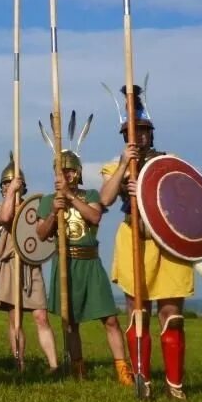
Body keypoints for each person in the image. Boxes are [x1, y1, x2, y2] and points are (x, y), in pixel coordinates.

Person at [99, 84, 193, 401]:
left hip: (168, 243)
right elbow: (106, 199)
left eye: (141, 131)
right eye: (130, 131)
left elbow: (187, 201)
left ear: (150, 133)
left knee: (172, 315)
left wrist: (153, 192)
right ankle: (143, 381)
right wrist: (126, 166)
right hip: (134, 238)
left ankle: (175, 387)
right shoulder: (115, 166)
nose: (136, 136)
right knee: (138, 313)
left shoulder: (169, 163)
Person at [36, 146, 132, 386]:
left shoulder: (89, 195)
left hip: (90, 263)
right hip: (65, 263)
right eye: (62, 171)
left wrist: (69, 197)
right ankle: (78, 369)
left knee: (110, 319)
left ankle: (122, 370)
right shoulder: (49, 200)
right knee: (71, 323)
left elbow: (95, 217)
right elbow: (41, 234)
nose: (66, 175)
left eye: (70, 171)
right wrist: (53, 212)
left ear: (78, 172)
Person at [0, 156, 59, 373]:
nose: (9, 186)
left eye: (13, 184)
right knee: (15, 318)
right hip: (10, 266)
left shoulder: (33, 209)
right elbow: (7, 217)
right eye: (6, 184)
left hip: (30, 265)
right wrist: (11, 193)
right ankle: (19, 365)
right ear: (2, 188)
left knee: (41, 316)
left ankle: (54, 366)